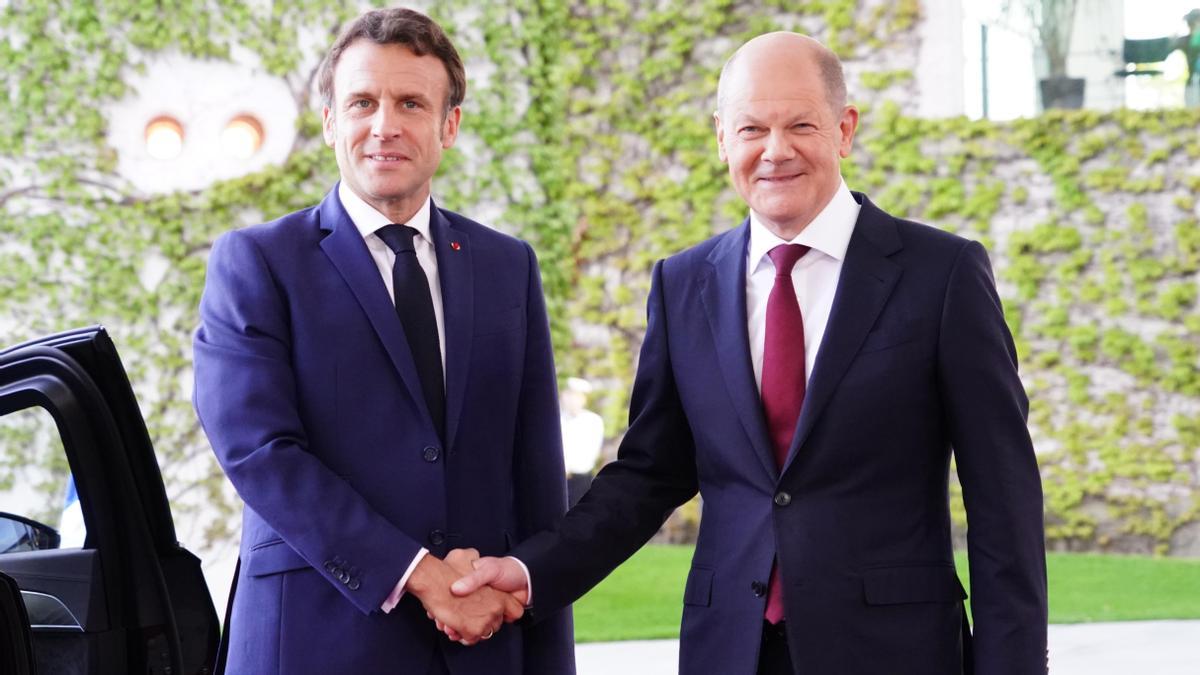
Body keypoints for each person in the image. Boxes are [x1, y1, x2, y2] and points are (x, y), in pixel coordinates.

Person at [450, 32, 1048, 675]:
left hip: (893, 649)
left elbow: (1002, 495)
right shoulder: (682, 285)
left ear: (844, 129)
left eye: (801, 125)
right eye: (752, 128)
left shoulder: (942, 274)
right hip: (728, 648)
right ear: (721, 138)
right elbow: (651, 473)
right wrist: (529, 570)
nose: (775, 150)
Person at [192, 7, 574, 675]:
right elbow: (261, 453)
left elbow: (536, 475)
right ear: (331, 121)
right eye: (362, 102)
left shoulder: (509, 266)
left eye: (410, 102)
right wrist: (421, 574)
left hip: (484, 647)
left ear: (448, 124)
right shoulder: (257, 263)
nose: (384, 125)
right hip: (315, 642)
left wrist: (546, 646)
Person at [559, 377, 604, 506]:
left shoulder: (592, 421)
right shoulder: (558, 419)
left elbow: (588, 454)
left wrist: (567, 466)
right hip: (556, 478)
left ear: (584, 399)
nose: (572, 400)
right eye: (569, 395)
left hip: (579, 480)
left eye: (577, 397)